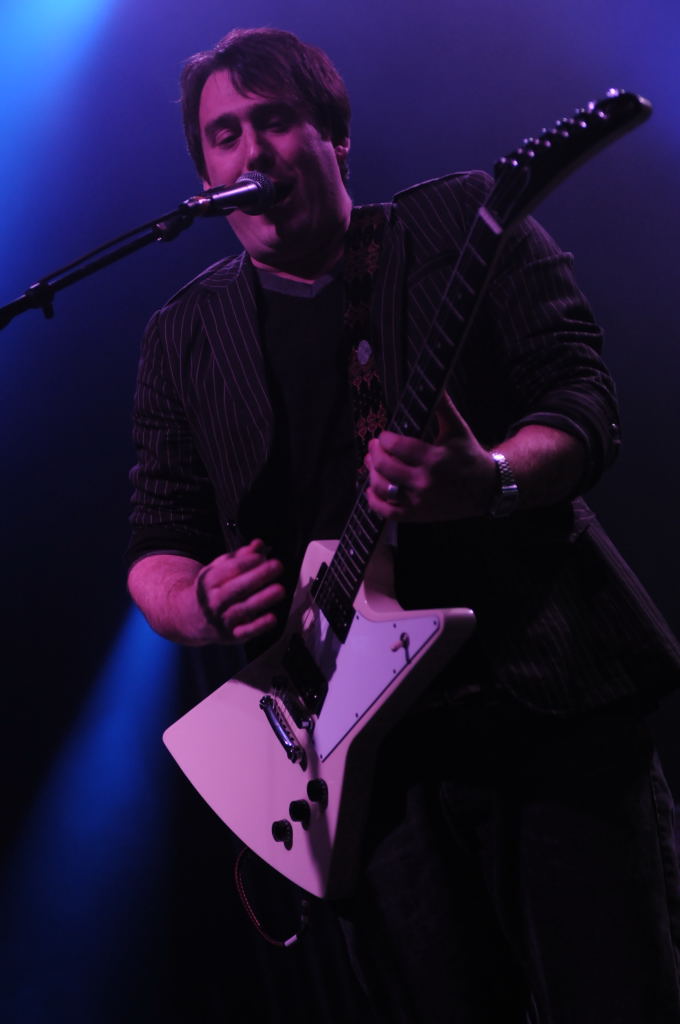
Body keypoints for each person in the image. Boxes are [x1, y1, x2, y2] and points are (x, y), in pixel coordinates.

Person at [126, 27, 680, 1023]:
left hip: (542, 708)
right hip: (362, 780)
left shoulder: (459, 222)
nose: (251, 149)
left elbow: (582, 399)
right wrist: (198, 598)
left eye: (275, 120)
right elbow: (157, 541)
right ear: (203, 175)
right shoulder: (183, 337)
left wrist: (491, 479)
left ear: (333, 135)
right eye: (224, 134)